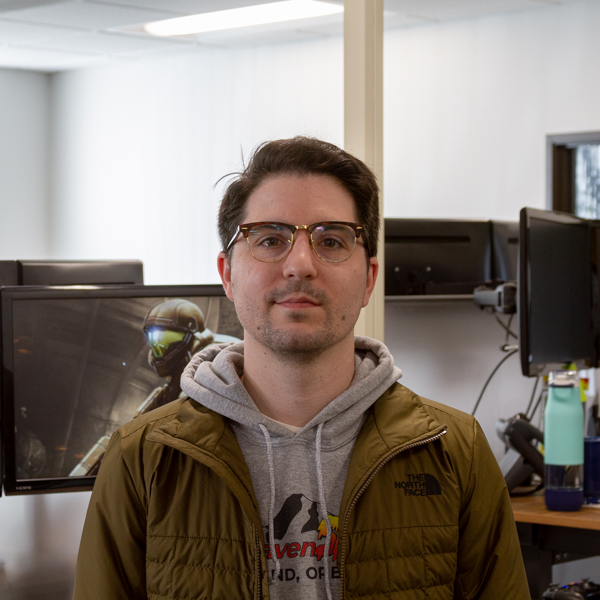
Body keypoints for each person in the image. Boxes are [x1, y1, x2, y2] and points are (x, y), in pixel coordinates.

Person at [73, 137, 530, 600]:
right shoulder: (141, 458)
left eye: (331, 240)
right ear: (227, 274)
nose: (300, 264)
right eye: (270, 239)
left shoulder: (457, 453)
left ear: (369, 277)